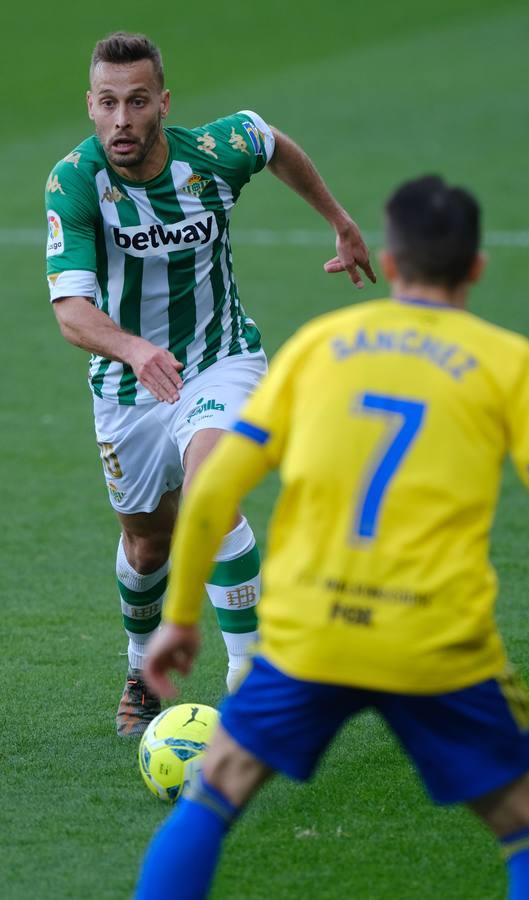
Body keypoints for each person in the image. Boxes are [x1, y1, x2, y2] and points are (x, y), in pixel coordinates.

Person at [136, 174, 529, 899]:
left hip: (312, 633)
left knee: (214, 793)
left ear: (388, 263)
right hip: (436, 640)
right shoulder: (508, 360)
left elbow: (213, 492)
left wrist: (180, 619)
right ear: (477, 267)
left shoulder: (320, 344)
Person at [44, 32, 375, 736]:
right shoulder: (74, 182)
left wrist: (339, 220)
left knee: (212, 493)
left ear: (163, 103)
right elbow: (71, 311)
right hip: (127, 384)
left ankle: (249, 684)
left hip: (221, 359)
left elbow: (270, 140)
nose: (122, 119)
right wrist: (134, 350)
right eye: (108, 103)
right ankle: (141, 671)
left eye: (138, 101)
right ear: (90, 105)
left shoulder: (214, 154)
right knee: (147, 546)